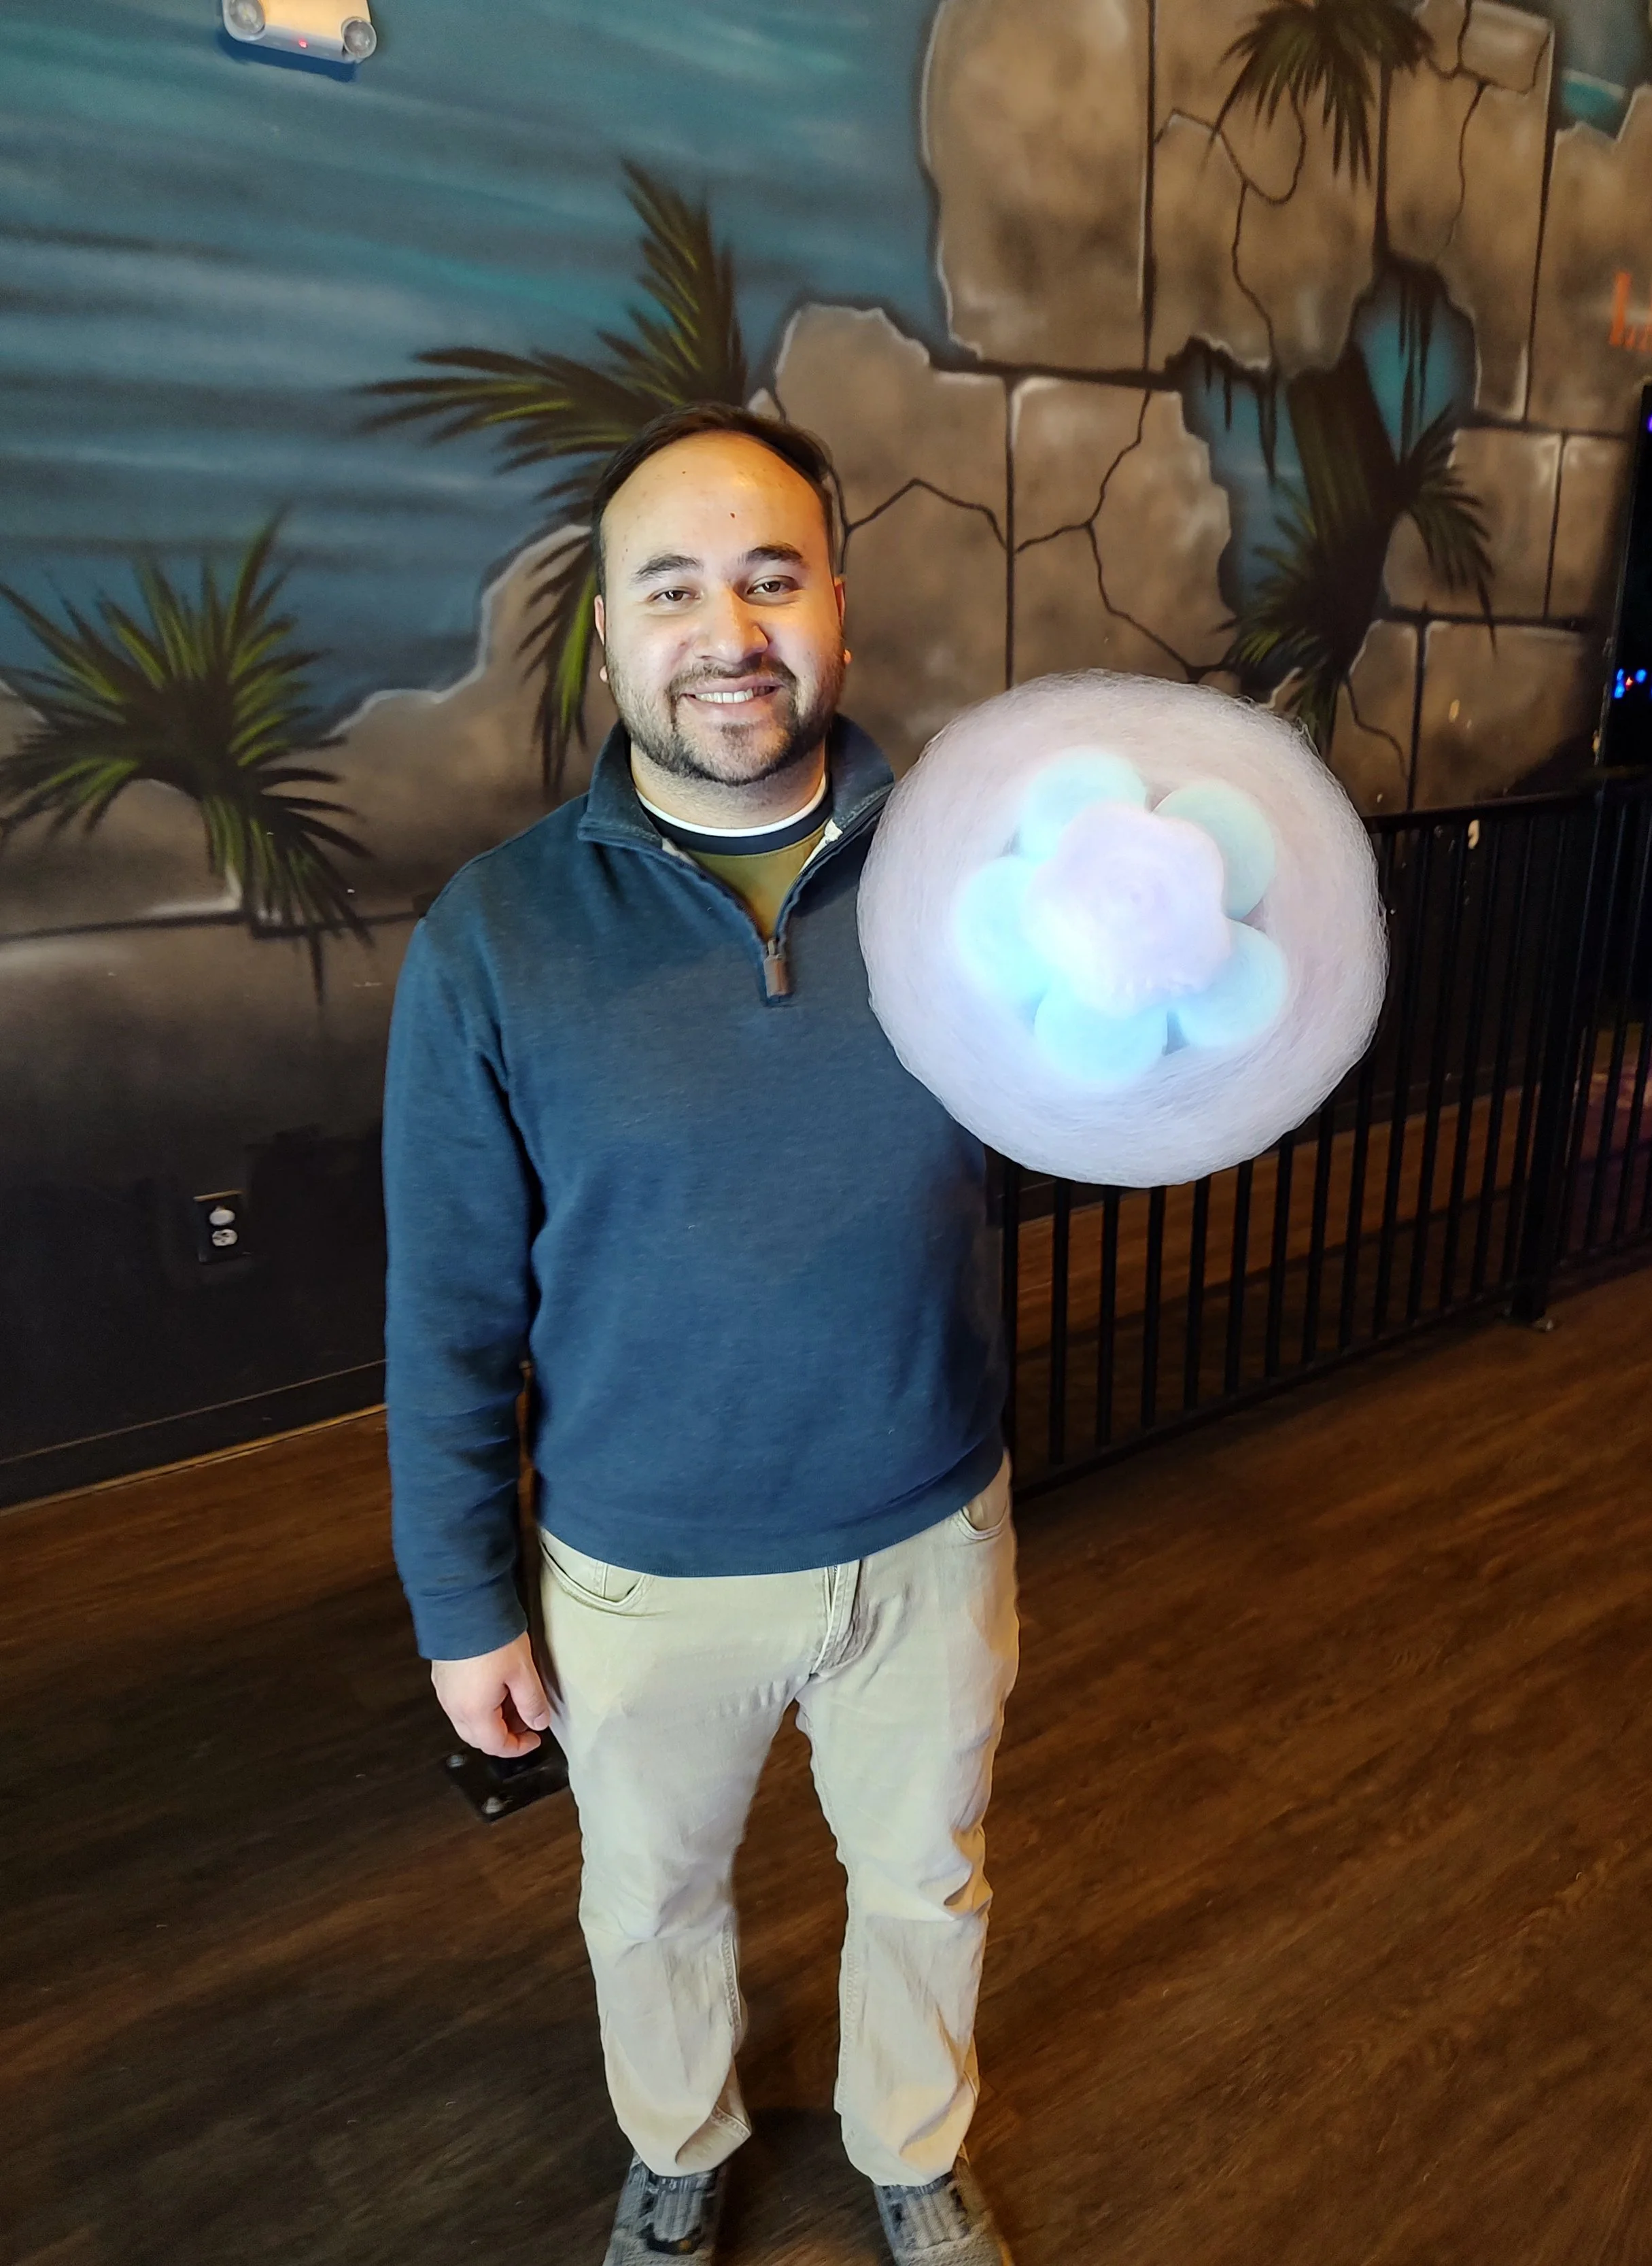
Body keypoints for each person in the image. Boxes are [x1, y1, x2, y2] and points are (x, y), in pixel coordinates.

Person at [383, 402, 1019, 2266]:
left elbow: (1084, 1124)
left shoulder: (971, 872)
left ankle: (913, 2145)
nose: (726, 630)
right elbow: (446, 1308)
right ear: (606, 631)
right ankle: (680, 2136)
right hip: (641, 1569)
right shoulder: (496, 937)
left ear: (835, 597)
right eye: (671, 587)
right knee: (647, 1898)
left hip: (929, 1534)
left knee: (925, 1881)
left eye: (769, 574)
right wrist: (456, 1598)